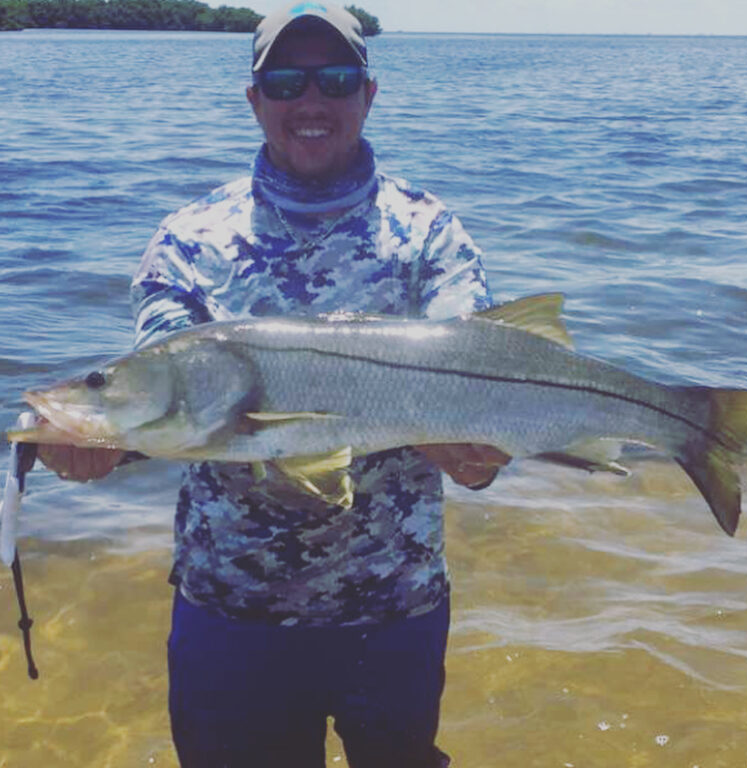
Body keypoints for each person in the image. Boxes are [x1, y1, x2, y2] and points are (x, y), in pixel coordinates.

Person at [39, 3, 510, 766]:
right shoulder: (189, 239)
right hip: (230, 615)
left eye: (336, 78)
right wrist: (105, 441)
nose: (311, 101)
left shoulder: (430, 233)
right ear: (255, 100)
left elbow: (479, 368)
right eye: (286, 81)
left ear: (369, 92)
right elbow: (178, 401)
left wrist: (483, 454)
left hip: (394, 609)